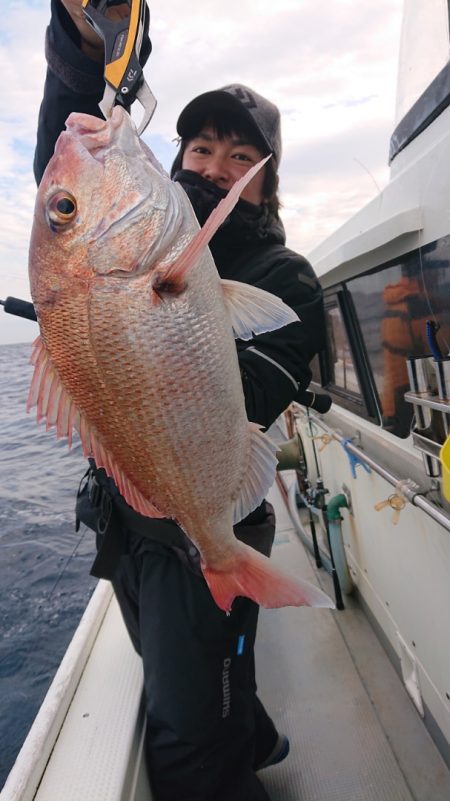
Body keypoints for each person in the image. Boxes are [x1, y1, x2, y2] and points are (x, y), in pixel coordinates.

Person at [34, 2, 326, 799]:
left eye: (241, 155)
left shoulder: (286, 277)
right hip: (130, 520)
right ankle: (248, 726)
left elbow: (261, 391)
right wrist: (86, 41)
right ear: (176, 154)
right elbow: (69, 157)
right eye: (201, 147)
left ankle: (232, 755)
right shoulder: (150, 232)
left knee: (191, 728)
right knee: (192, 677)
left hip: (209, 518)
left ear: (265, 175)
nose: (217, 166)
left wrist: (166, 302)